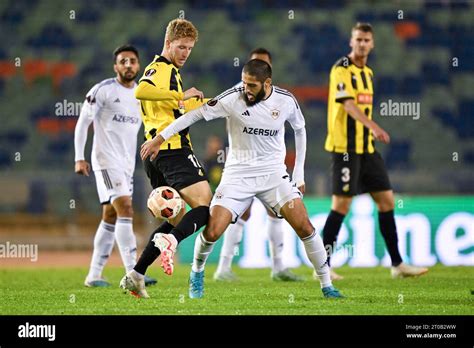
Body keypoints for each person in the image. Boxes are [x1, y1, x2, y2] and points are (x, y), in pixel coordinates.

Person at [141, 59, 344, 299]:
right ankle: (196, 272)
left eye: (252, 85)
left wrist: (298, 173)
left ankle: (326, 284)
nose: (246, 89)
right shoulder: (233, 98)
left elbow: (300, 129)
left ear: (267, 83)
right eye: (245, 83)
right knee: (213, 230)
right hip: (237, 175)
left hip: (273, 175)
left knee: (305, 226)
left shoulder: (286, 101)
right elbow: (193, 116)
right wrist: (160, 138)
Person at [321, 23, 428, 280]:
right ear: (351, 41)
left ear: (372, 44)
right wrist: (374, 127)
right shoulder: (341, 69)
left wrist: (371, 132)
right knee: (341, 205)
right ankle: (322, 266)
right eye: (358, 39)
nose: (362, 44)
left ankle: (397, 264)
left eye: (366, 40)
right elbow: (347, 105)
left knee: (386, 201)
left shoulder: (368, 73)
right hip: (345, 148)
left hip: (367, 148)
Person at [120, 19, 212, 299]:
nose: (185, 53)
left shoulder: (167, 70)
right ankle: (170, 242)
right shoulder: (161, 68)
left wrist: (197, 103)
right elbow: (141, 90)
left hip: (157, 154)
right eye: (181, 47)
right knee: (205, 206)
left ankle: (137, 274)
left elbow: (171, 108)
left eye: (190, 49)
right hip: (171, 151)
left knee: (177, 217)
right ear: (168, 43)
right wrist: (181, 95)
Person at [214, 48, 303, 282]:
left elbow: (294, 127)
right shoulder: (239, 92)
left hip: (270, 166)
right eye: (254, 63)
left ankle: (278, 267)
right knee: (241, 213)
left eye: (263, 65)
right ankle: (223, 267)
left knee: (276, 214)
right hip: (242, 165)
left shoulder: (278, 98)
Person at [74, 45, 156, 287]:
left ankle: (94, 275)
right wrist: (79, 157)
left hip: (126, 164)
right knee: (126, 210)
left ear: (139, 66)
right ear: (116, 66)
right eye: (123, 61)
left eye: (132, 61)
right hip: (105, 161)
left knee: (110, 216)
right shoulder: (103, 90)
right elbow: (83, 122)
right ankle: (133, 271)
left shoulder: (142, 94)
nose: (128, 65)